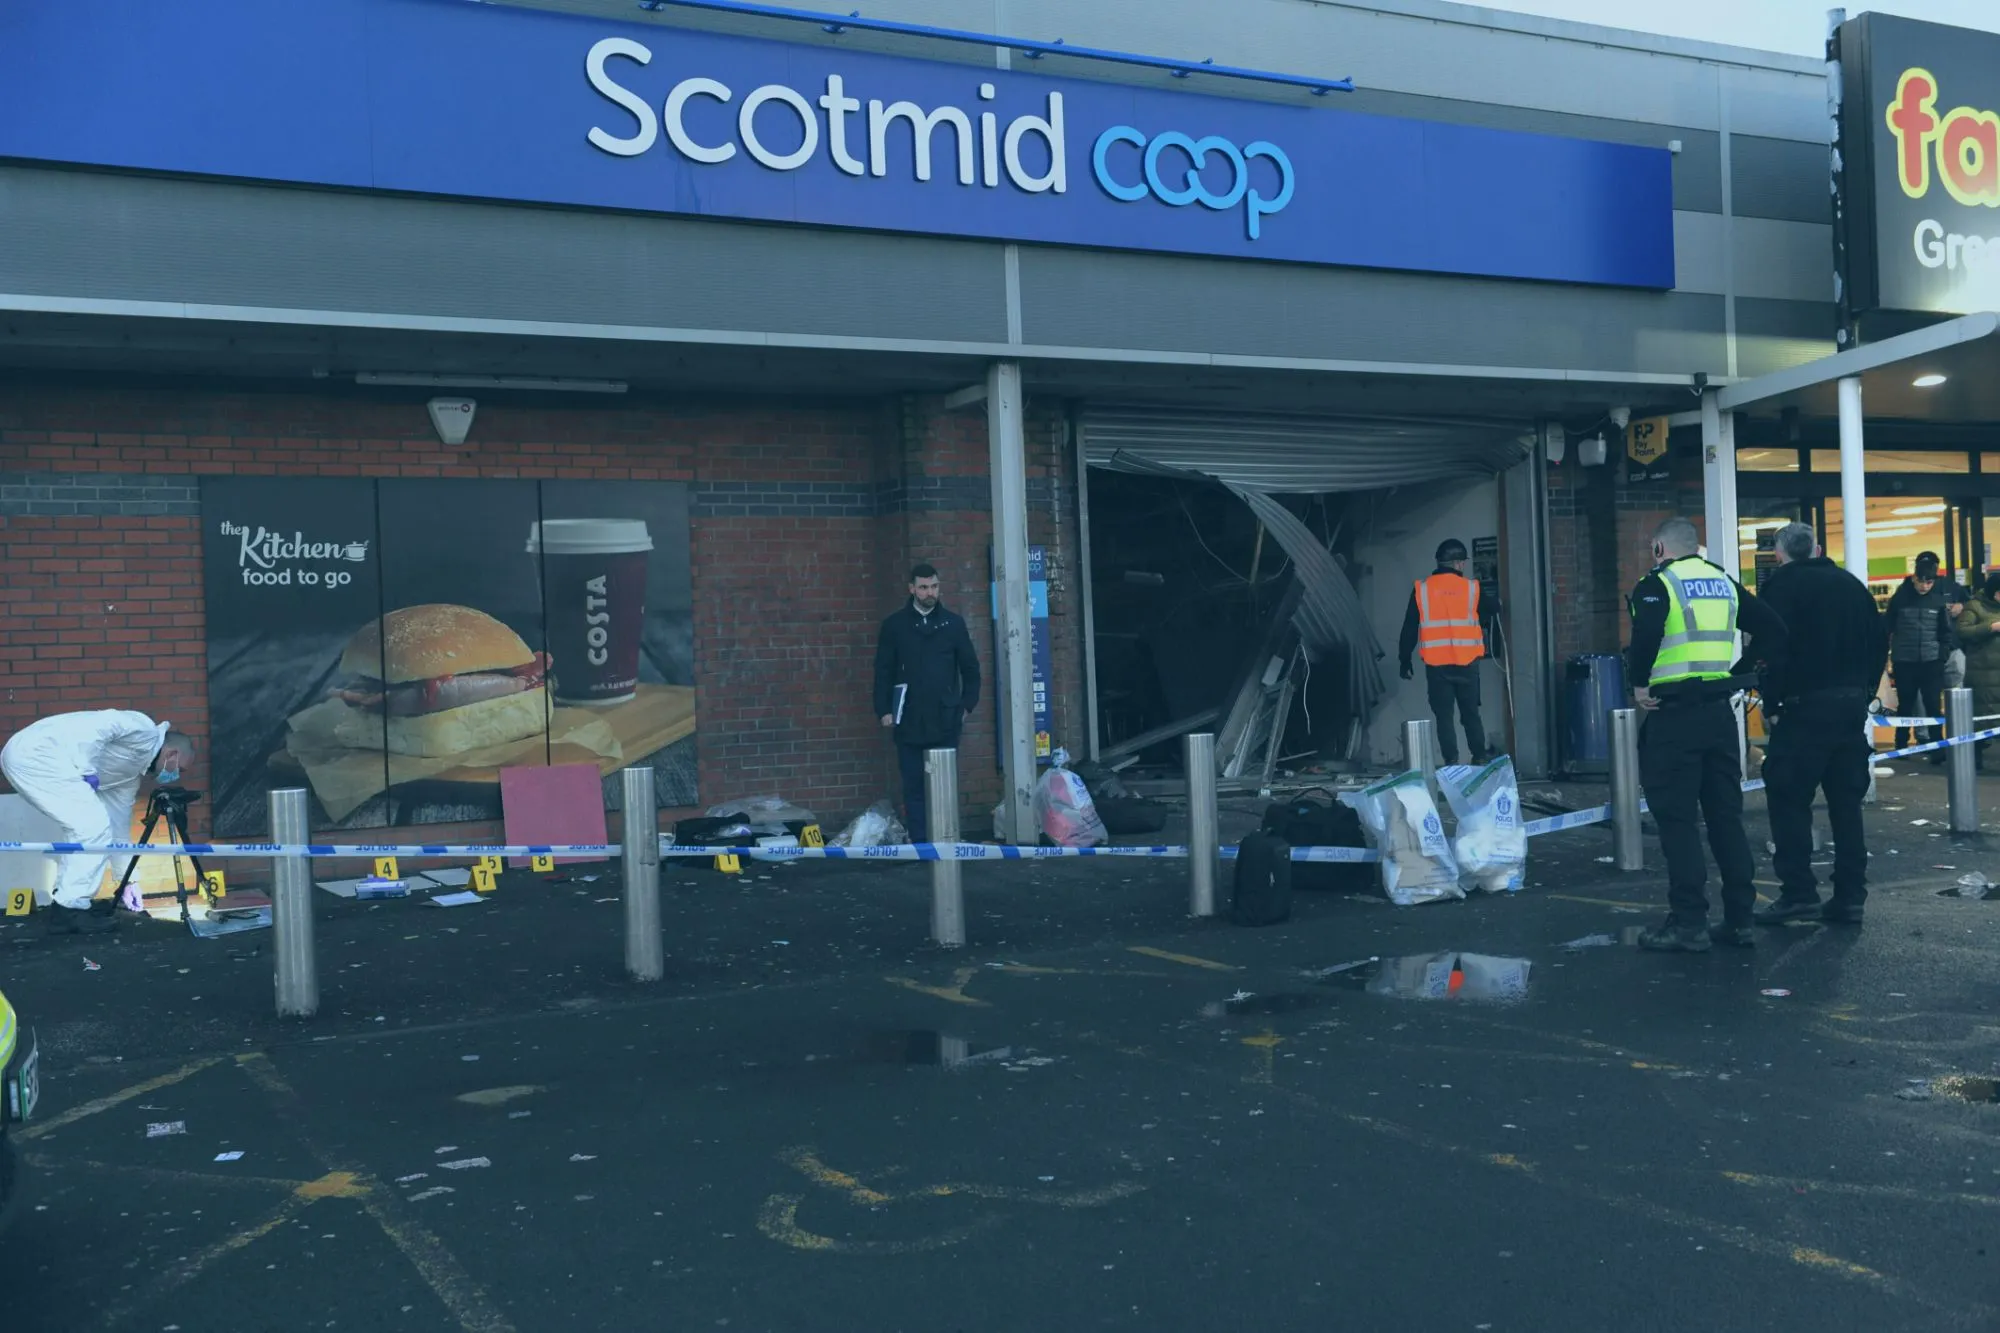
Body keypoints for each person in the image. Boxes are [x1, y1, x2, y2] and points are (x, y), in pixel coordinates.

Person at [1626, 517, 1788, 953]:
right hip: (1719, 715)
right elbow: (1775, 629)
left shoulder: (1658, 584)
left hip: (1673, 715)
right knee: (1725, 818)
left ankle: (1688, 922)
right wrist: (1739, 674)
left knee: (1677, 820)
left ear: (1660, 547)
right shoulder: (1723, 581)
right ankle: (1739, 920)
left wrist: (1638, 683)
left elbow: (1646, 635)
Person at [1752, 523, 1886, 927]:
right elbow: (1880, 642)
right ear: (1817, 548)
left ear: (1779, 553)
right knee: (1846, 804)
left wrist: (1772, 702)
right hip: (1848, 709)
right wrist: (1863, 693)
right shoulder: (1852, 586)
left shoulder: (1780, 589)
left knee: (1789, 798)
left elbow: (1769, 648)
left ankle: (1798, 894)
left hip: (1803, 709)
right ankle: (1849, 896)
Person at [0, 711, 192, 934]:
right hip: (36, 754)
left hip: (36, 759)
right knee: (91, 827)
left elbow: (118, 831)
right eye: (181, 768)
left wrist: (127, 882)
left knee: (88, 829)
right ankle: (70, 909)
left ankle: (69, 903)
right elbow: (103, 726)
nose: (177, 775)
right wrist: (88, 769)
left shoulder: (128, 779)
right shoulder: (144, 729)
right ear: (172, 754)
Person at [872, 563, 980, 843]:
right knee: (913, 785)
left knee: (944, 785)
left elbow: (970, 668)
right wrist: (883, 709)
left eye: (933, 586)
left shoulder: (953, 624)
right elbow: (883, 669)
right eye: (923, 587)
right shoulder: (895, 626)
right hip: (908, 716)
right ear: (912, 589)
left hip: (945, 717)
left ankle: (945, 840)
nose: (929, 592)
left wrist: (967, 705)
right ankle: (920, 843)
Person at [1399, 538, 1498, 766]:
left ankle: (1451, 763)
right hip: (1467, 663)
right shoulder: (1472, 589)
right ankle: (1480, 758)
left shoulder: (1422, 590)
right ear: (1458, 564)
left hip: (1437, 666)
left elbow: (1409, 628)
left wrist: (1404, 660)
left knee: (1444, 717)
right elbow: (1493, 608)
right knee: (1471, 714)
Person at [1885, 552, 1956, 759]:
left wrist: (1942, 656)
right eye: (1921, 582)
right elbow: (1888, 626)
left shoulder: (1937, 602)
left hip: (1931, 662)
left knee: (1933, 704)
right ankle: (1901, 746)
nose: (1925, 586)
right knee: (1905, 705)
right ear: (1914, 578)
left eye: (1929, 582)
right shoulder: (1899, 599)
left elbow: (1945, 632)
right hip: (1904, 661)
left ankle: (1937, 749)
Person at [1955, 571, 2000, 771]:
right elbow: (1962, 631)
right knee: (1980, 718)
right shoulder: (1974, 606)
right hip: (1982, 673)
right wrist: (1991, 627)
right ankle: (1974, 761)